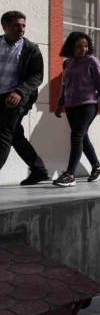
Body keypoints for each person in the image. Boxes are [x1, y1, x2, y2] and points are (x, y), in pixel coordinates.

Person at [53, 32, 100, 187]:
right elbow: (64, 85)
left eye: (85, 46)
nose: (83, 49)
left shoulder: (92, 61)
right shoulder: (67, 63)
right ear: (71, 47)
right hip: (71, 106)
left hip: (88, 104)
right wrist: (60, 104)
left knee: (76, 137)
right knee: (82, 138)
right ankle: (97, 167)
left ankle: (70, 174)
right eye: (79, 46)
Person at [0, 11, 49, 185]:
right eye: (16, 25)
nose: (21, 29)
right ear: (5, 27)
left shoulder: (31, 49)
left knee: (4, 132)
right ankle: (39, 170)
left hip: (18, 96)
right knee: (14, 135)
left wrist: (19, 92)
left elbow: (37, 76)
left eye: (23, 25)